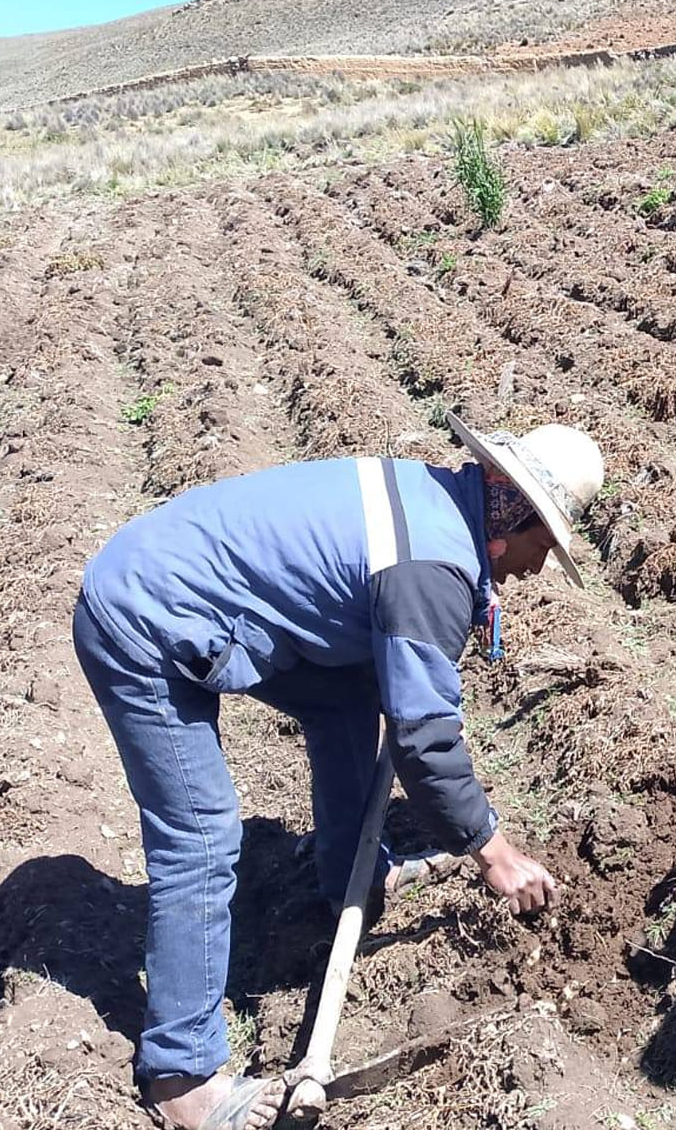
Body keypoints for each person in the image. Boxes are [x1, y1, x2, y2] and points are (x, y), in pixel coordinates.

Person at [72, 414, 604, 1130]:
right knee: (200, 836)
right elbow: (423, 741)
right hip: (143, 615)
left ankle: (352, 870)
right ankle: (181, 1073)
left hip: (182, 578)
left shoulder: (435, 500)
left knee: (350, 694)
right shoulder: (433, 567)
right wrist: (494, 854)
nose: (538, 567)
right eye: (545, 545)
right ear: (513, 511)